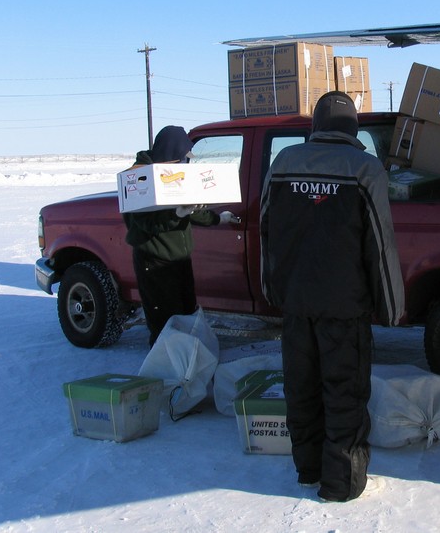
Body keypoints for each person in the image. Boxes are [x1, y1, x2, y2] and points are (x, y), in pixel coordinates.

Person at [259, 91, 404, 503]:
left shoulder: (284, 163)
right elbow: (380, 244)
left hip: (297, 304)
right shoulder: (364, 168)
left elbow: (266, 232)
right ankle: (341, 485)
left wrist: (274, 290)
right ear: (353, 127)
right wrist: (391, 306)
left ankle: (308, 470)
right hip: (344, 307)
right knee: (343, 393)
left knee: (301, 388)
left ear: (317, 125)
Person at [123, 125, 233, 347]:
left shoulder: (174, 174)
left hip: (179, 260)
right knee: (164, 322)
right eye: (183, 157)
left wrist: (217, 219)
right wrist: (176, 214)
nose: (186, 162)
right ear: (170, 153)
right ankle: (164, 371)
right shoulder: (139, 178)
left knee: (186, 314)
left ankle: (185, 367)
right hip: (154, 262)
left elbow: (190, 209)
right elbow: (144, 224)